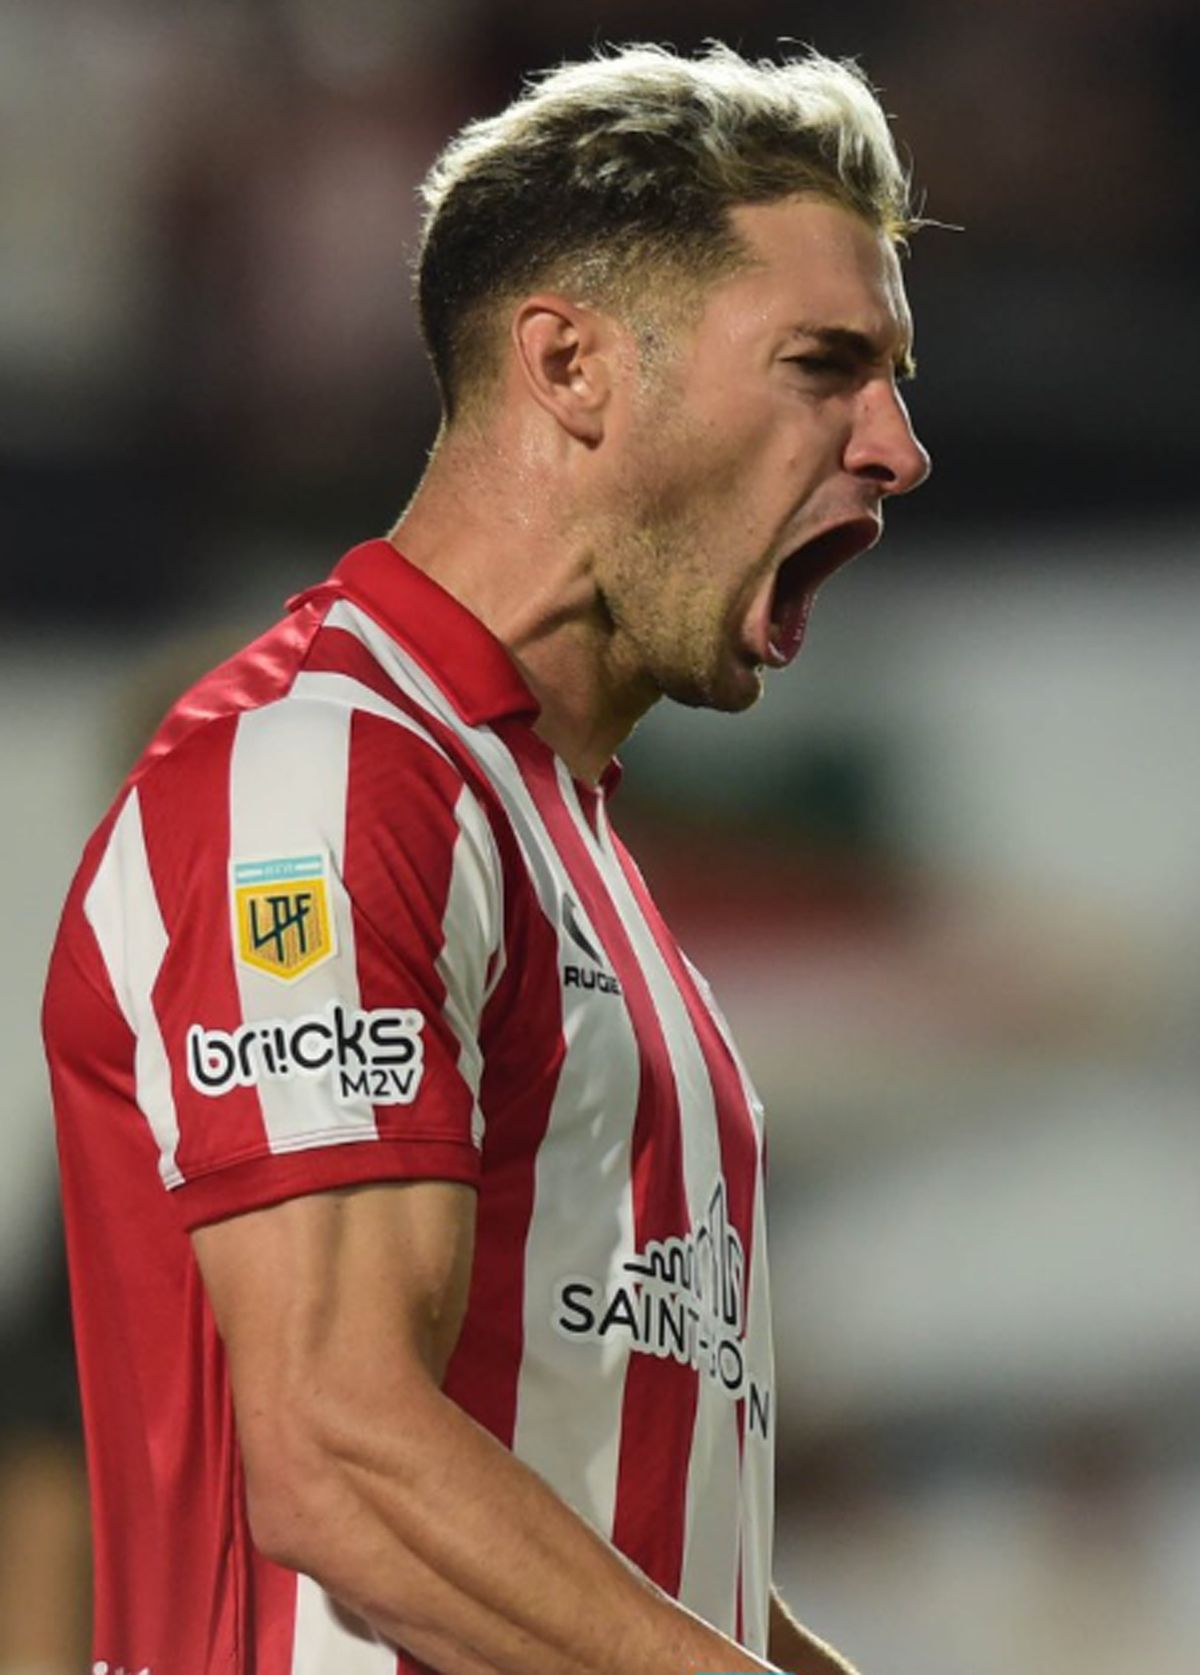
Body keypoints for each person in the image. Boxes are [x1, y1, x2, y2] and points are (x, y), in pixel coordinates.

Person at [42, 41, 929, 1675]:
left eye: (896, 381)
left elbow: (638, 1560)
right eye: (825, 363)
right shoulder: (318, 773)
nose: (895, 445)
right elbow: (343, 1462)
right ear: (572, 365)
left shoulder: (560, 838)